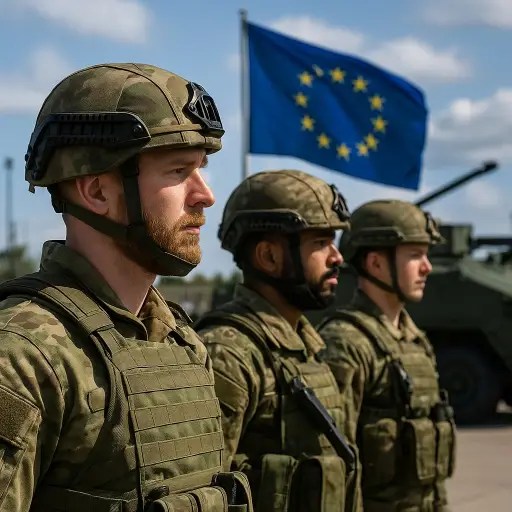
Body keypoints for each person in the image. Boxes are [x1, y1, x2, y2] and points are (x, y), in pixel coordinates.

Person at [0, 63, 252, 512]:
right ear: (97, 192)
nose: (205, 194)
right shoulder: (22, 355)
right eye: (178, 171)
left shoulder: (181, 341)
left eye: (201, 168)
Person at [194, 170, 361, 512]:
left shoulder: (305, 345)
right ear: (269, 257)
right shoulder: (229, 354)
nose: (337, 257)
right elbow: (205, 492)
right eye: (320, 243)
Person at [317, 199, 456, 512]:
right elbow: (334, 465)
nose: (427, 267)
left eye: (426, 255)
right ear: (376, 263)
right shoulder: (345, 344)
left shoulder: (415, 340)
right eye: (415, 255)